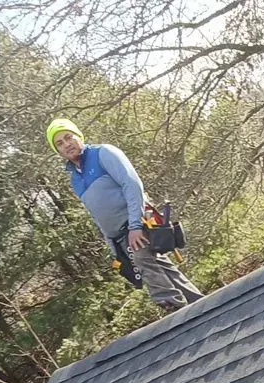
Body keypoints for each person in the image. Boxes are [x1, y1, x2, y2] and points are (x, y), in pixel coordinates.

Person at [46, 118, 204, 313]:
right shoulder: (75, 179)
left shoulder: (103, 153)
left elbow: (132, 184)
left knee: (142, 259)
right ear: (57, 151)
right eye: (59, 143)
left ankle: (174, 306)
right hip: (119, 236)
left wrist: (135, 226)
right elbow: (96, 213)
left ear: (79, 136)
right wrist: (113, 247)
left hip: (137, 223)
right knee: (160, 266)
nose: (66, 144)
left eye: (68, 137)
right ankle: (202, 305)